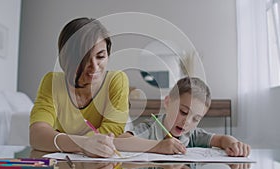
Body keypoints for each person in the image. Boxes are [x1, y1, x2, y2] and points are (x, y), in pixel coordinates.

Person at [29, 17, 129, 157]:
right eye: (84, 59)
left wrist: (66, 141)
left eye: (100, 56)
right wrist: (83, 144)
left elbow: (113, 131)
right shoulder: (52, 82)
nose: (94, 67)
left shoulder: (116, 81)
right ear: (66, 58)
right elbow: (37, 135)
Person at [114, 77, 250, 157]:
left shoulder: (192, 134)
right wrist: (158, 146)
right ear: (167, 102)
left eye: (196, 119)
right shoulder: (151, 127)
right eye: (184, 112)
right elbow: (119, 142)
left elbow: (221, 140)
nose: (187, 122)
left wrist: (234, 144)